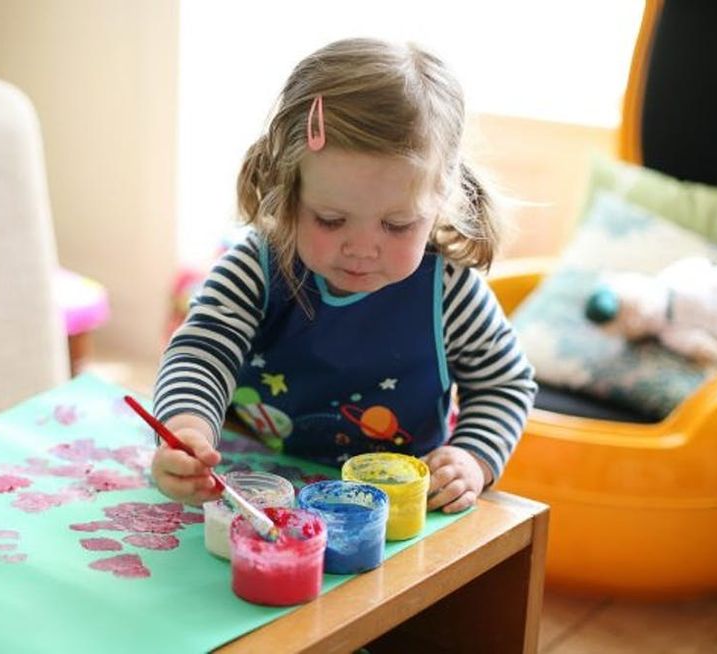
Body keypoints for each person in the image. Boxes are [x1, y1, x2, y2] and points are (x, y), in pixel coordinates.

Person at [152, 38, 536, 514]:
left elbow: (505, 383)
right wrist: (187, 428)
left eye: (396, 225)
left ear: (442, 201)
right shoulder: (257, 266)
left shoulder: (448, 290)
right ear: (288, 192)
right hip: (253, 492)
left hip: (391, 512)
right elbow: (201, 352)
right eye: (331, 220)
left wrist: (473, 457)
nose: (361, 248)